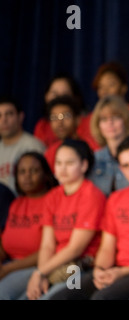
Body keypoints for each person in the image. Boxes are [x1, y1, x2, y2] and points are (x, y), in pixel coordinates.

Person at [50, 136, 129, 300]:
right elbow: (107, 245)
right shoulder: (116, 199)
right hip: (114, 269)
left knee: (101, 298)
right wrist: (100, 270)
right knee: (61, 297)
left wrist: (120, 273)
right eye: (126, 165)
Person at [24, 139, 105, 300]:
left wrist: (40, 272)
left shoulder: (91, 195)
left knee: (51, 298)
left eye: (69, 163)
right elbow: (47, 244)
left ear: (84, 165)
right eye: (58, 163)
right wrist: (42, 275)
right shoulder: (53, 196)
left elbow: (75, 249)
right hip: (53, 263)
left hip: (79, 265)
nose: (62, 168)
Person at [0, 152, 58, 299]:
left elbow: (51, 247)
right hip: (8, 264)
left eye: (34, 171)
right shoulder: (16, 203)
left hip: (37, 266)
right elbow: (4, 241)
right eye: (22, 172)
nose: (27, 176)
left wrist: (8, 269)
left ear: (46, 174)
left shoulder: (54, 201)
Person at [77, 61, 129, 151]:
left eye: (111, 85)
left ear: (123, 88)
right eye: (101, 86)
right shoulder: (89, 119)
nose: (105, 91)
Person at [88, 95, 129, 196]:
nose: (110, 123)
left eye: (115, 117)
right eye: (104, 119)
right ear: (98, 125)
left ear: (125, 121)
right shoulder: (93, 159)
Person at [0, 97, 46, 194]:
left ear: (20, 117)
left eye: (9, 114)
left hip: (26, 205)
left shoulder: (33, 146)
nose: (4, 120)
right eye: (0, 115)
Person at [33, 74, 86, 148]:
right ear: (46, 96)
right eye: (54, 94)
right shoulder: (42, 126)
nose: (59, 97)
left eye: (65, 94)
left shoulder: (86, 123)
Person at [43, 95, 84, 172]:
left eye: (66, 116)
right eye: (54, 117)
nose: (60, 122)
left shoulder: (89, 147)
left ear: (77, 119)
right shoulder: (50, 152)